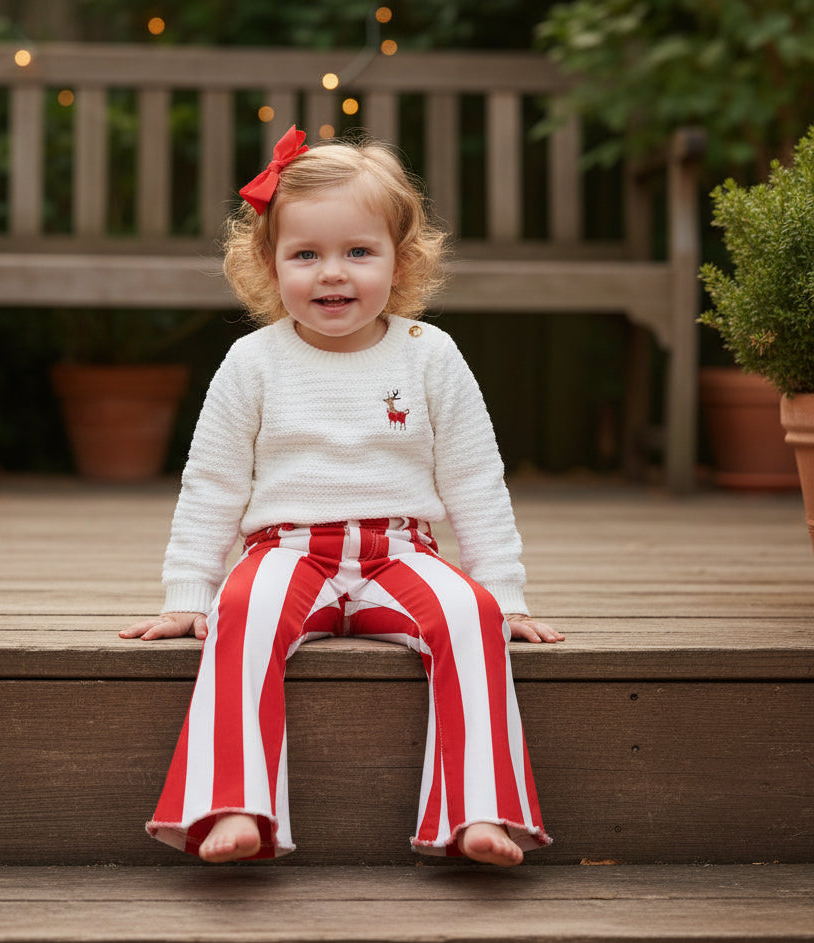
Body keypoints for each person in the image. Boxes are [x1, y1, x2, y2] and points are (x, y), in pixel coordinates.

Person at [121, 125, 564, 868]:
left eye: (359, 252)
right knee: (243, 611)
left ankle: (480, 812)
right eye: (306, 255)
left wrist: (505, 593)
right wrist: (187, 592)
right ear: (269, 263)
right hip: (287, 552)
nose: (334, 274)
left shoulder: (429, 353)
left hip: (400, 553)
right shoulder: (253, 361)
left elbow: (474, 479)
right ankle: (233, 806)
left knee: (469, 615)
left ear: (402, 258)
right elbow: (214, 482)